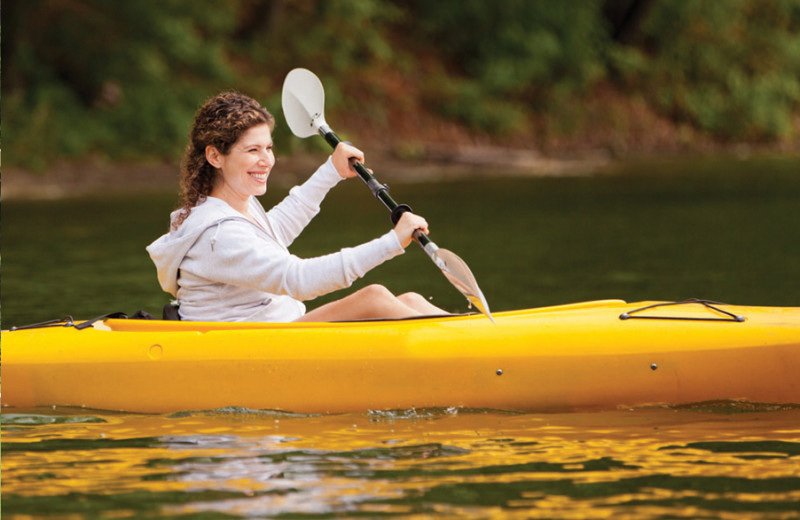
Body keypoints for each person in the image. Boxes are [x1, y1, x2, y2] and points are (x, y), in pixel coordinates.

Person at [147, 91, 446, 322]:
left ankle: (480, 337)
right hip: (251, 350)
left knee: (411, 299)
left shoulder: (234, 209)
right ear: (215, 156)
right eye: (253, 150)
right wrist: (392, 242)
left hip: (277, 334)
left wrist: (332, 171)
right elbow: (297, 280)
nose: (267, 160)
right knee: (374, 299)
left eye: (269, 147)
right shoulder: (217, 235)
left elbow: (274, 232)